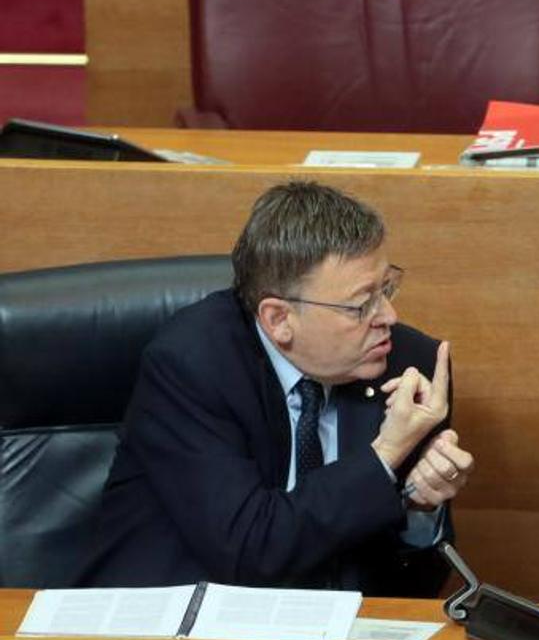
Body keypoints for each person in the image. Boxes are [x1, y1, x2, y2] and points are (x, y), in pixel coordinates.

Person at [82, 181, 474, 595]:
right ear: (279, 320)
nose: (388, 316)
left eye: (386, 289)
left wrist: (420, 509)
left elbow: (408, 591)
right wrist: (386, 455)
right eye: (361, 305)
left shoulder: (408, 365)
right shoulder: (190, 365)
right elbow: (250, 551)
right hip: (171, 628)